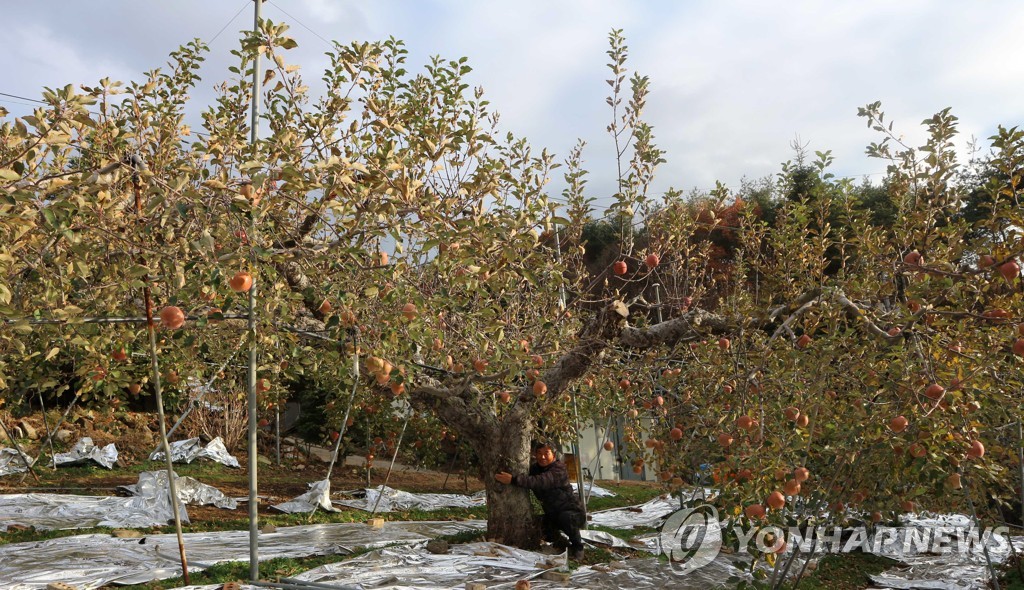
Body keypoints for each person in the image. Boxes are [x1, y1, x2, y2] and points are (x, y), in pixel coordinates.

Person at [495, 442, 586, 560]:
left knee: (566, 518)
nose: (542, 457)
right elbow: (530, 477)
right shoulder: (534, 469)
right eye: (539, 453)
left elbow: (540, 481)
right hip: (552, 514)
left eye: (546, 453)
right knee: (535, 524)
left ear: (553, 455)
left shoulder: (559, 469)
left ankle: (578, 547)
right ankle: (561, 543)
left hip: (573, 512)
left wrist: (513, 480)